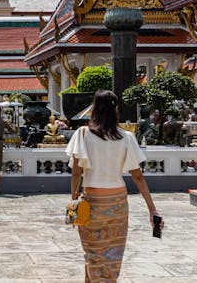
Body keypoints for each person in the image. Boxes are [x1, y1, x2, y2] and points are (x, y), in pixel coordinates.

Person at [66, 90, 162, 282]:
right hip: (118, 203)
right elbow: (138, 177)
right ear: (116, 109)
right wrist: (152, 209)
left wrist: (73, 200)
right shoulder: (127, 137)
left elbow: (76, 173)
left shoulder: (83, 133)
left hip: (91, 201)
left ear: (94, 109)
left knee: (92, 254)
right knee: (110, 255)